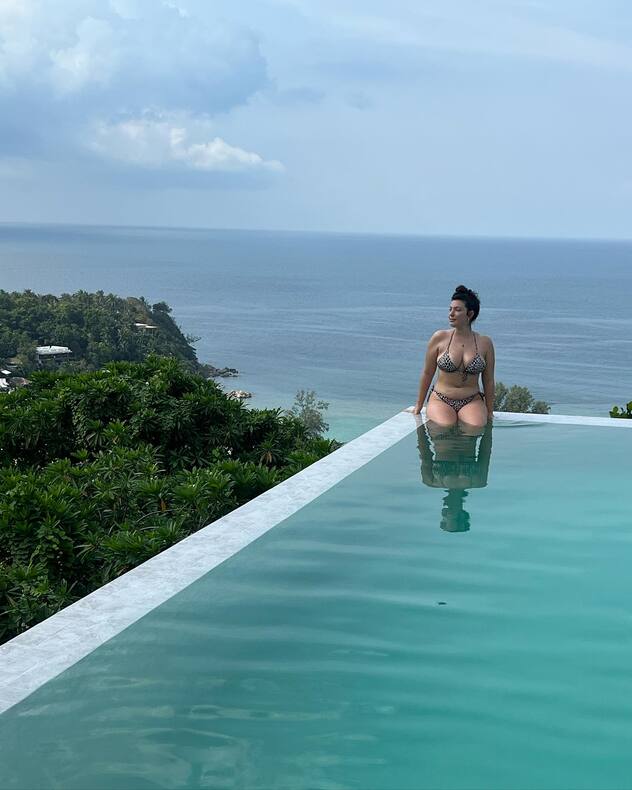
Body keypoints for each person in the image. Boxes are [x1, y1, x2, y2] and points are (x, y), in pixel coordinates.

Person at [412, 285, 495, 428]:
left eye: (457, 310)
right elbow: (427, 373)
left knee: (475, 427)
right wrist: (418, 405)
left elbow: (488, 380)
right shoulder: (439, 338)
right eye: (450, 309)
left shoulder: (485, 343)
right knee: (444, 426)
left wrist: (490, 411)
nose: (451, 314)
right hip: (441, 399)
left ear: (470, 314)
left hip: (472, 400)